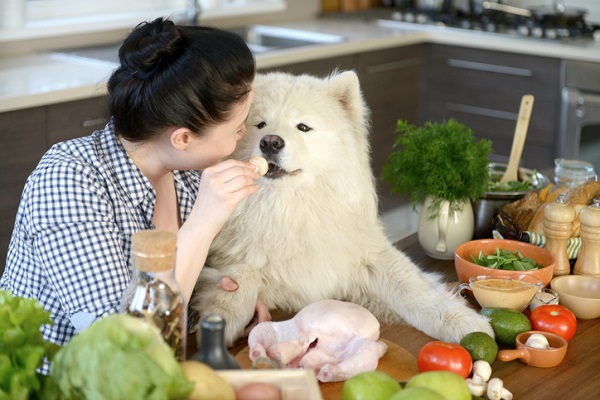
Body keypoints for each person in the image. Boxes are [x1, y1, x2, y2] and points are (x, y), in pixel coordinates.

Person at [0, 17, 270, 373]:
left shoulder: (186, 173)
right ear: (183, 138)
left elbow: (174, 284)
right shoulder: (69, 179)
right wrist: (204, 220)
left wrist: (221, 298)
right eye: (237, 127)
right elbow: (123, 356)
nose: (242, 138)